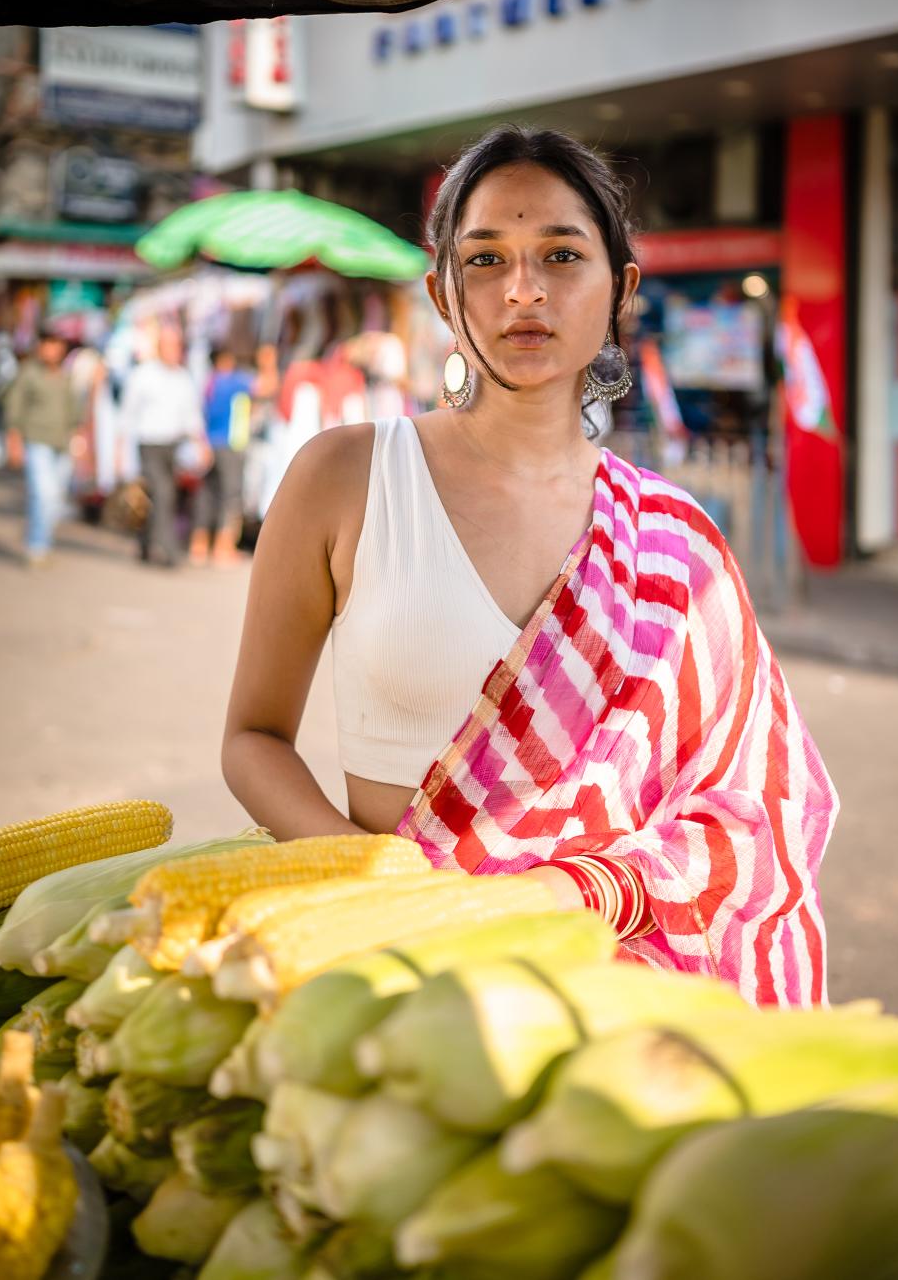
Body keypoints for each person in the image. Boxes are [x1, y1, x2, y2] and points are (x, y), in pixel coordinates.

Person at [222, 126, 839, 1008]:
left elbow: (749, 806)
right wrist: (374, 881)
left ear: (619, 287)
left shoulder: (675, 539)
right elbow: (252, 740)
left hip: (607, 994)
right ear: (442, 292)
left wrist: (572, 893)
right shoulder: (346, 478)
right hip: (390, 971)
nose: (524, 290)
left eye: (561, 254)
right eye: (485, 260)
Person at [119, 324, 211, 567]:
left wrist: (200, 444)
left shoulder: (182, 378)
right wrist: (120, 452)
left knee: (159, 495)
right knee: (163, 493)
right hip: (149, 444)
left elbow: (191, 416)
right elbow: (127, 415)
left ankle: (145, 542)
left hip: (172, 445)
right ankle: (169, 549)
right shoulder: (143, 375)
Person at [4, 325, 83, 564]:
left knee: (56, 497)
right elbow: (14, 408)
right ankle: (37, 545)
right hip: (37, 440)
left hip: (62, 442)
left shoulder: (67, 376)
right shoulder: (29, 373)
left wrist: (79, 440)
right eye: (49, 343)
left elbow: (74, 412)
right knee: (43, 493)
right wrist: (14, 441)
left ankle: (40, 536)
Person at [189, 345, 254, 567]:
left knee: (207, 493)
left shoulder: (209, 382)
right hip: (230, 443)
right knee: (231, 495)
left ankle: (199, 544)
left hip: (210, 443)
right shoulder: (233, 381)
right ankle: (223, 548)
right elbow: (266, 385)